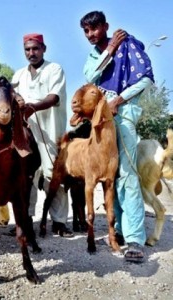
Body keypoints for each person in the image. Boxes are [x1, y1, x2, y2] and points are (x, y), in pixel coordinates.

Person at [80, 11, 154, 263]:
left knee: (127, 173)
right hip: (101, 122)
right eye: (86, 31)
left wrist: (118, 100)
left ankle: (134, 238)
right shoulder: (96, 55)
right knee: (109, 176)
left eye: (95, 29)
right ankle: (119, 229)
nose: (91, 35)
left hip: (122, 118)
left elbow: (144, 79)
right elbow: (90, 77)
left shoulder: (128, 46)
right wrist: (109, 49)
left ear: (105, 26)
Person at [12, 33, 73, 238]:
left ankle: (59, 221)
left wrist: (32, 107)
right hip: (25, 132)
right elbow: (12, 98)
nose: (31, 53)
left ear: (44, 49)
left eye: (35, 49)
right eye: (27, 49)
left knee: (52, 175)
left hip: (49, 131)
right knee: (25, 176)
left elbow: (53, 97)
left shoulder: (54, 69)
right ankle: (25, 219)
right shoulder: (19, 75)